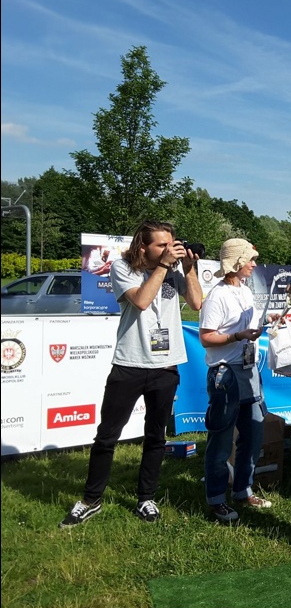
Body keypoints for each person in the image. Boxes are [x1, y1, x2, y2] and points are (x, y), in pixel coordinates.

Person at [59, 220, 203, 528]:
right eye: (161, 245)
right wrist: (163, 267)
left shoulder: (174, 270)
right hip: (129, 364)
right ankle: (91, 499)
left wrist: (189, 269)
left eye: (171, 244)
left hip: (165, 367)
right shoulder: (123, 268)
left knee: (156, 437)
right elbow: (141, 301)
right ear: (143, 247)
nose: (169, 249)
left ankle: (145, 498)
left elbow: (196, 302)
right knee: (107, 436)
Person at [198, 238, 274, 523]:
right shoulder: (217, 296)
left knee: (253, 437)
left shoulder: (244, 290)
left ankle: (243, 490)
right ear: (237, 262)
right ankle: (216, 499)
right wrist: (237, 336)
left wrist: (265, 322)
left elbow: (246, 327)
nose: (254, 264)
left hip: (248, 371)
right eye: (250, 259)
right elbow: (206, 337)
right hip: (225, 374)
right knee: (221, 441)